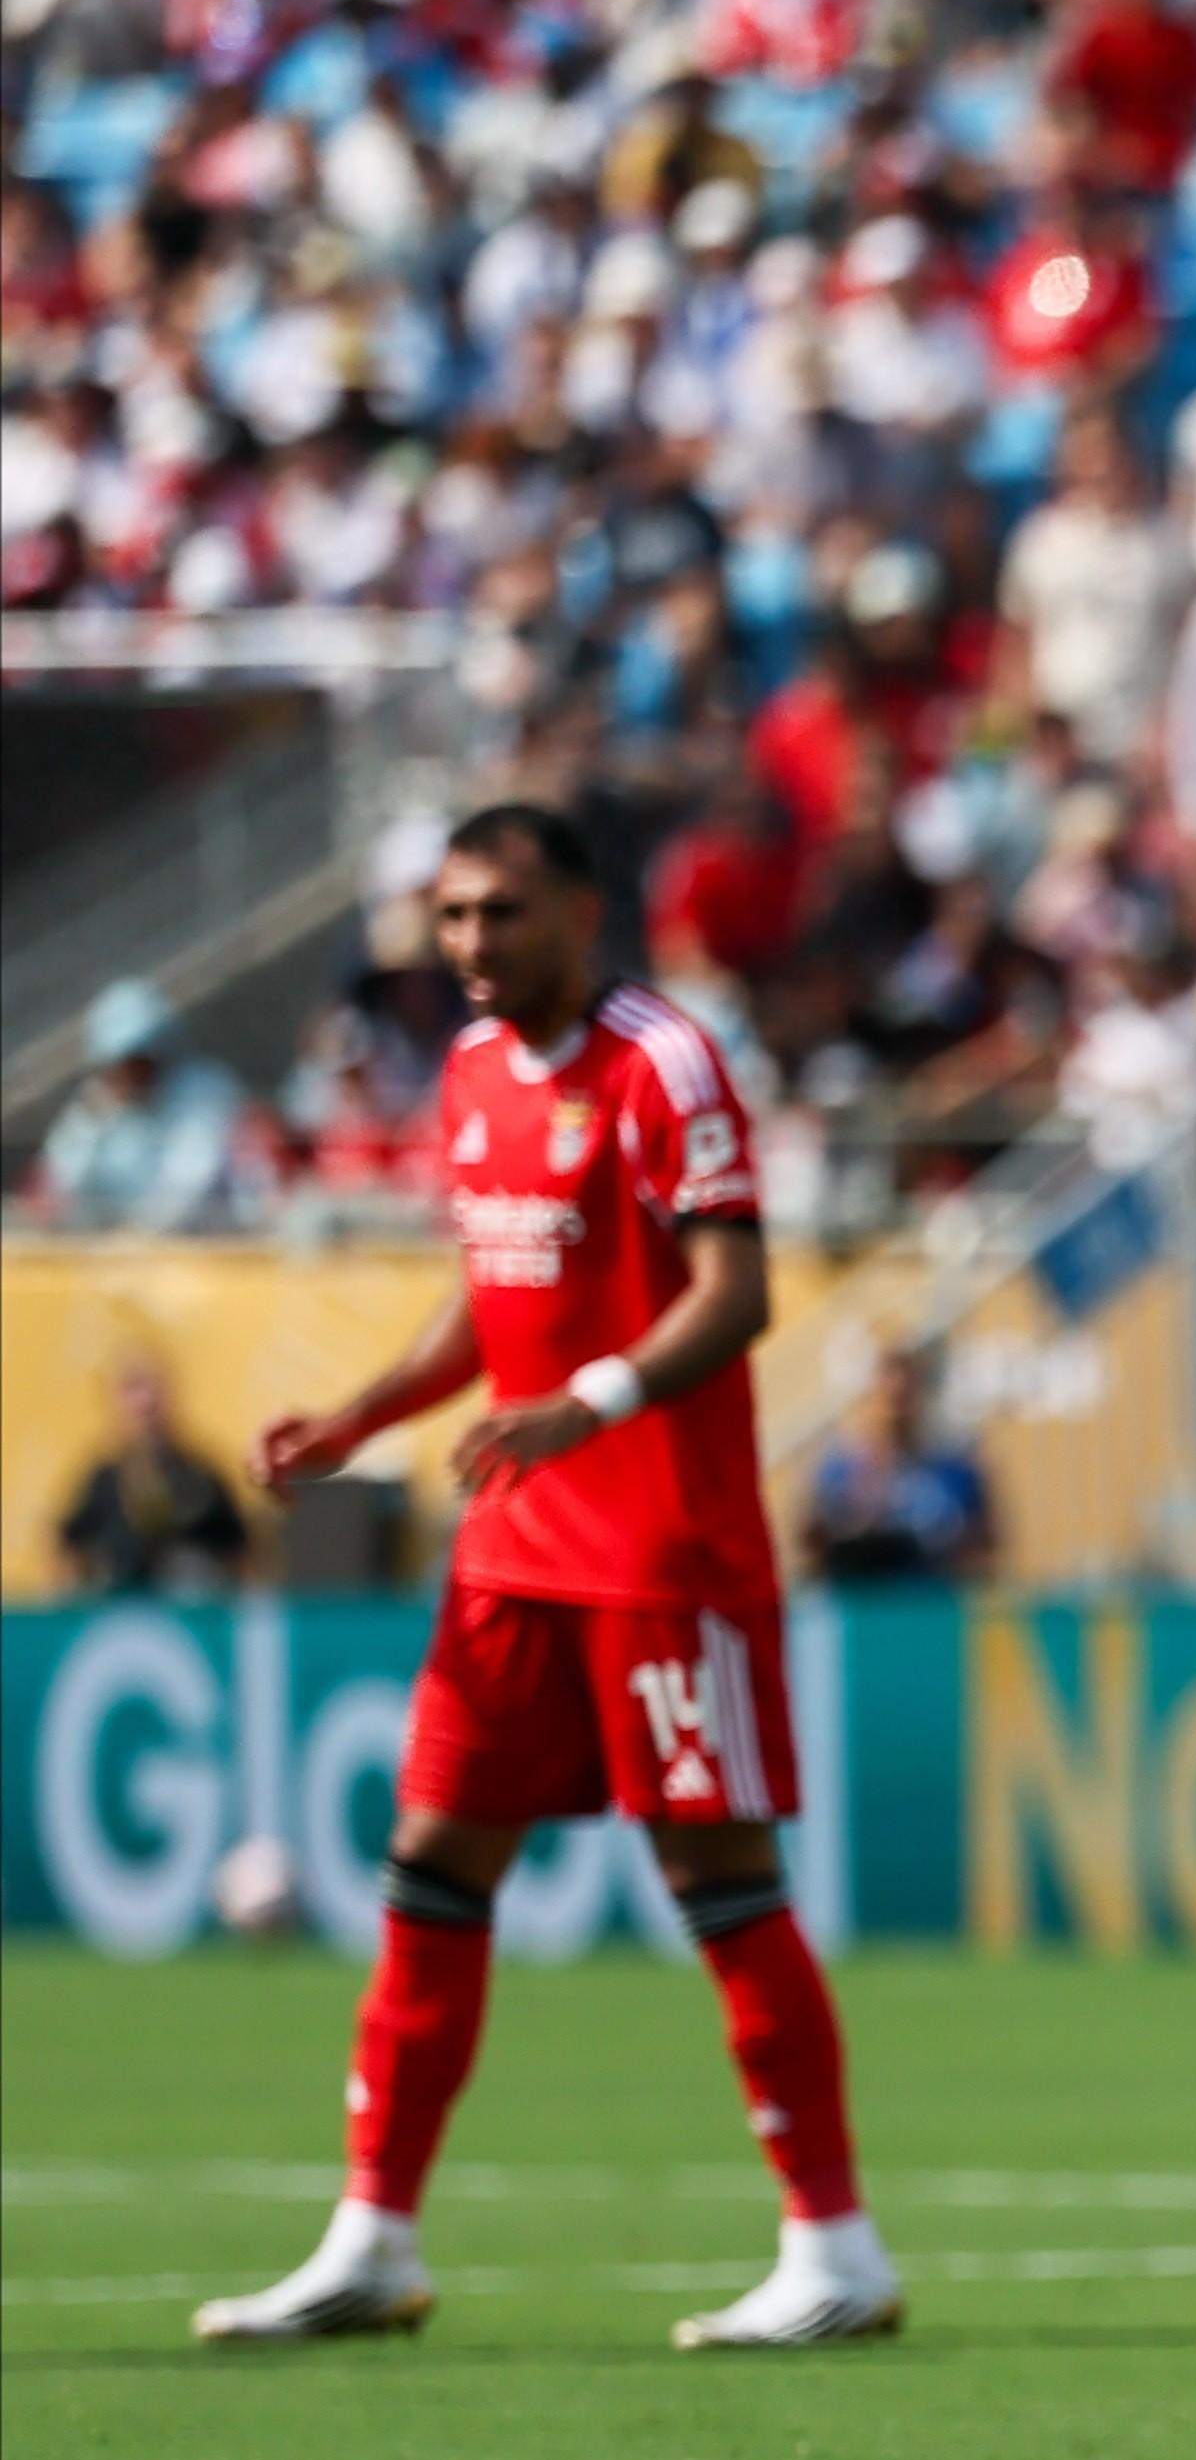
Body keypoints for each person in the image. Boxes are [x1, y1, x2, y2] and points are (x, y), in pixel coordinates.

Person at [205, 805, 899, 2352]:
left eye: (500, 913)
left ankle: (835, 2244)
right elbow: (492, 1293)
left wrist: (588, 1401)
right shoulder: (463, 1075)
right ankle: (373, 2236)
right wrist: (365, 1416)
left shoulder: (665, 1061)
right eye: (451, 916)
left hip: (663, 1547)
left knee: (720, 1880)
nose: (469, 945)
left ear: (581, 913)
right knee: (433, 1862)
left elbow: (740, 1291)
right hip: (513, 1550)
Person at [28, 981, 255, 1232]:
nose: (127, 1075)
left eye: (137, 1061)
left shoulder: (206, 1092)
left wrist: (135, 1237)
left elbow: (188, 1184)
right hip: (121, 1255)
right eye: (117, 1065)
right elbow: (59, 1181)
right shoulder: (97, 1103)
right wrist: (89, 1124)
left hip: (209, 1248)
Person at [55, 1359, 249, 1595]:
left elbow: (241, 1552)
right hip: (120, 1615)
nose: (145, 1405)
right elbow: (68, 1547)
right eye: (132, 1392)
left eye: (153, 1396)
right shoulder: (102, 1480)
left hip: (192, 1616)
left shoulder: (202, 1476)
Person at [803, 1351, 996, 1584]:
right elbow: (812, 1546)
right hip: (862, 1602)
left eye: (905, 1394)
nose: (897, 1403)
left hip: (931, 1599)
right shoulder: (838, 1471)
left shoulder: (954, 1469)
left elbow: (985, 1546)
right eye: (888, 1393)